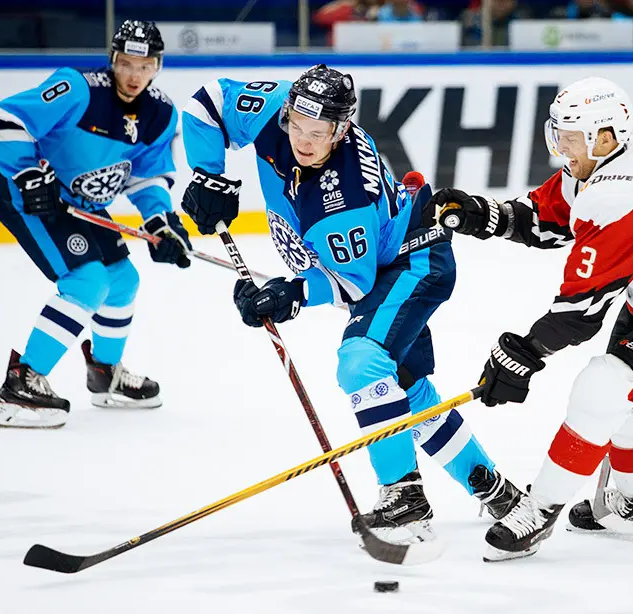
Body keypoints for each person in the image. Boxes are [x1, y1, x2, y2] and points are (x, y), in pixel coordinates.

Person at [179, 64, 521, 545]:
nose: (303, 139)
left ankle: (403, 496)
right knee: (403, 387)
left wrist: (291, 294)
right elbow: (208, 101)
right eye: (297, 124)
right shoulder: (275, 107)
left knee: (362, 361)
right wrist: (208, 176)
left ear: (340, 131)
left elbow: (352, 285)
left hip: (410, 261)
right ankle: (496, 490)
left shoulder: (343, 195)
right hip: (375, 261)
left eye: (317, 133)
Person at [428, 77, 633, 561]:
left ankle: (539, 509)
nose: (560, 148)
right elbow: (547, 217)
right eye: (557, 134)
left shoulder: (622, 197)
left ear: (604, 137)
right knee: (628, 398)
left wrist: (522, 354)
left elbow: (580, 312)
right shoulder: (612, 159)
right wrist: (486, 215)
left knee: (603, 388)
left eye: (569, 138)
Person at [0, 20, 191, 429]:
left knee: (123, 280)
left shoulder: (161, 114)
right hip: (27, 191)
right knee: (87, 281)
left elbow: (146, 176)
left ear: (158, 66)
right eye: (126, 63)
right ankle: (21, 383)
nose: (134, 75)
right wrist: (28, 174)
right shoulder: (78, 89)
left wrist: (161, 224)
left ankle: (104, 375)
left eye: (145, 66)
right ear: (113, 60)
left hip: (81, 202)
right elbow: (3, 120)